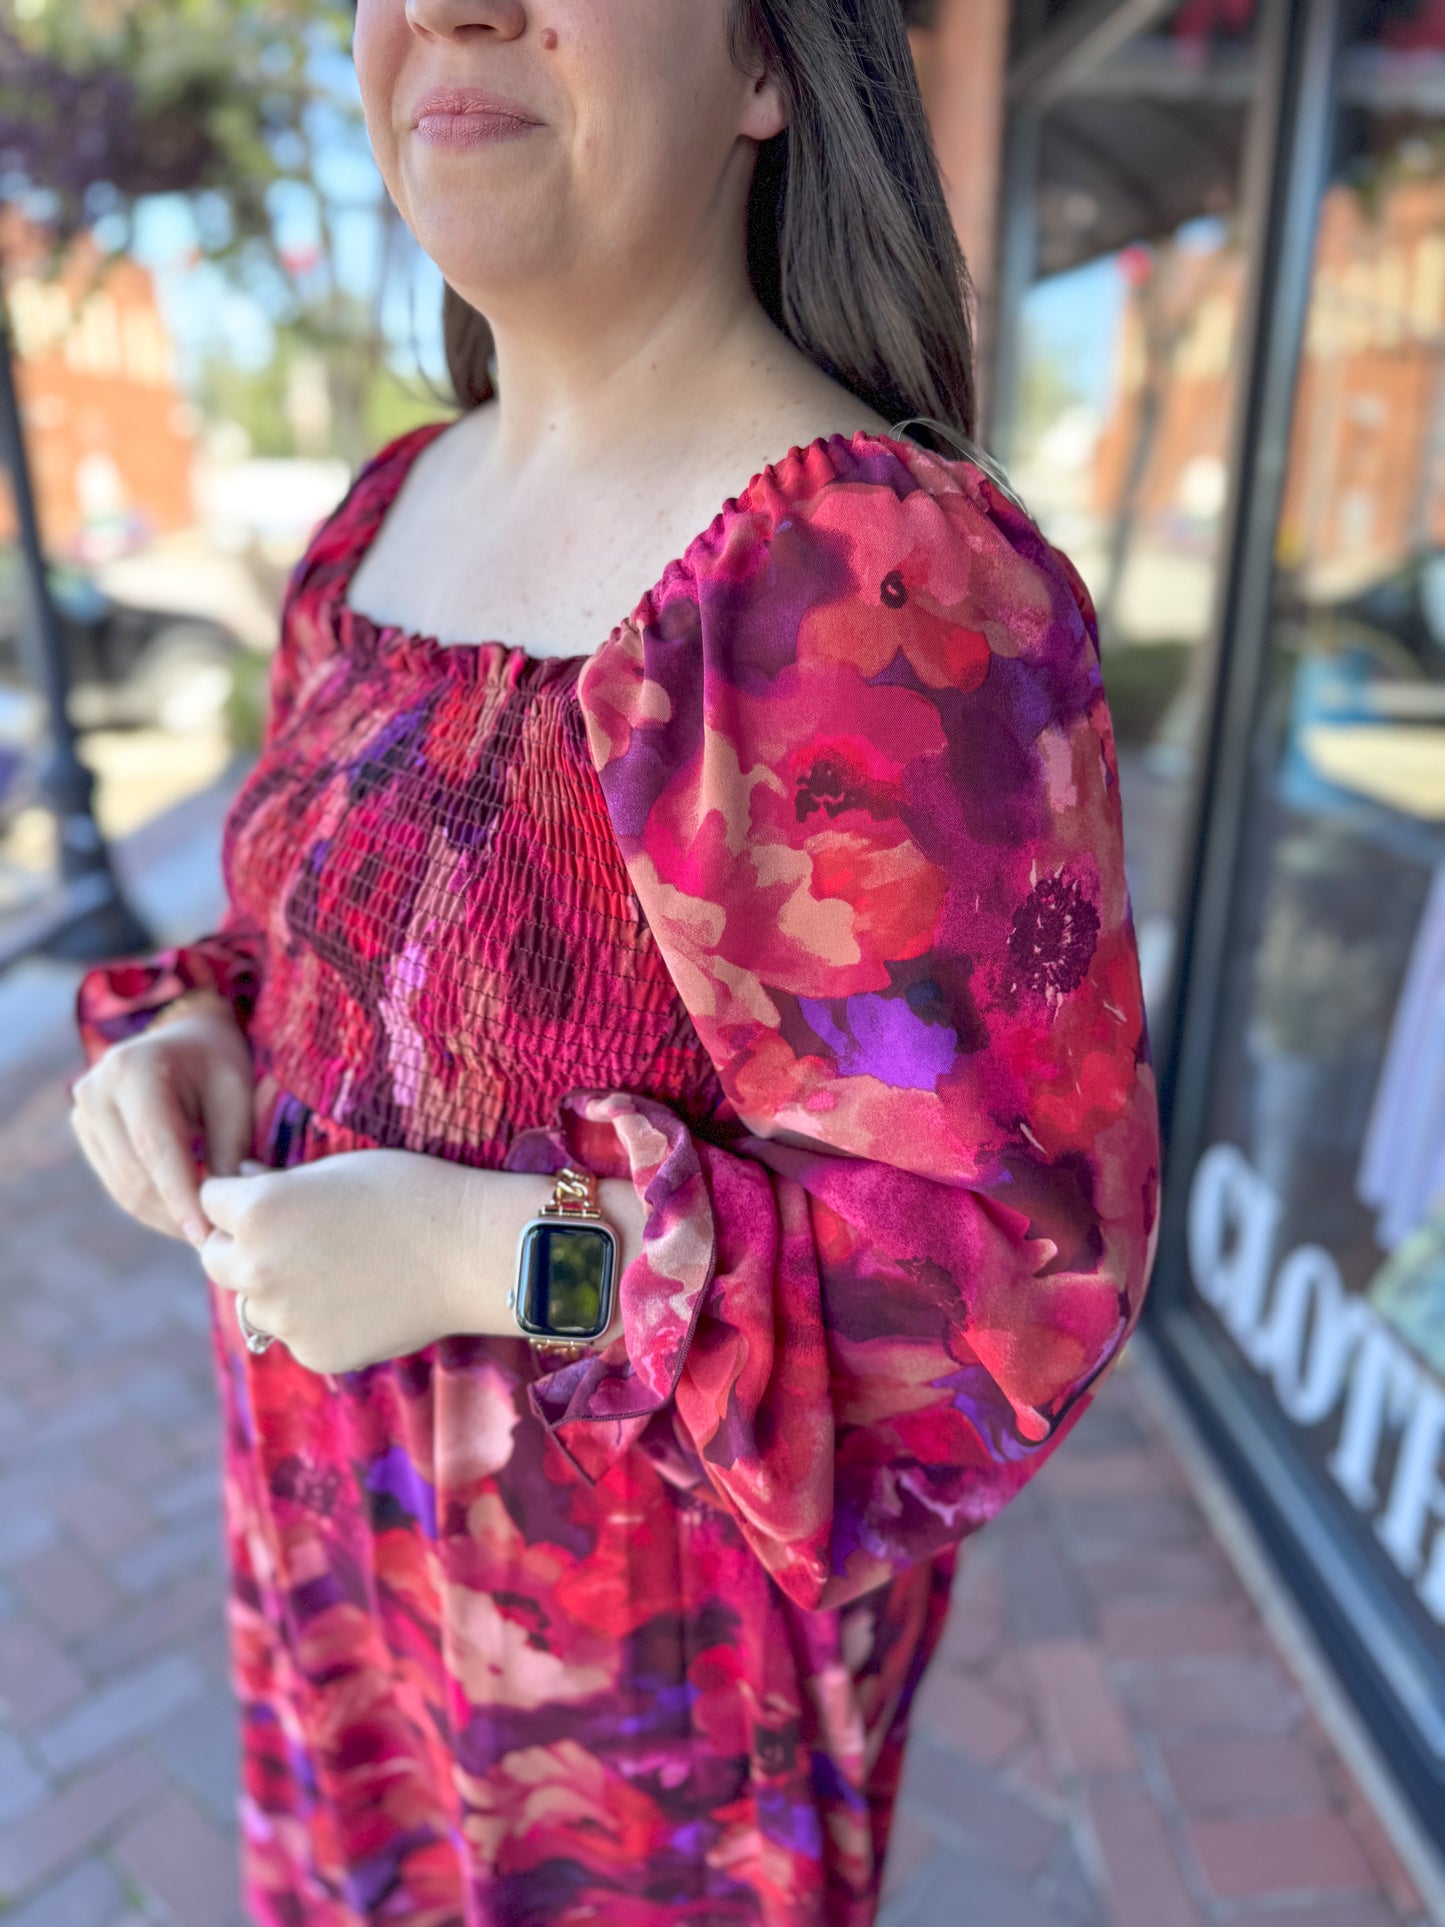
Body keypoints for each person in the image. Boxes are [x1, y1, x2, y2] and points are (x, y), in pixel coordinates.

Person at [66, 1, 1161, 1921]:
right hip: (348, 1665)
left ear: (765, 71)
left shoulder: (862, 587)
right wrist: (196, 1032)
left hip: (645, 1780)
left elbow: (997, 1296)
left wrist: (481, 1255)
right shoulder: (377, 520)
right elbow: (311, 939)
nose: (447, 12)